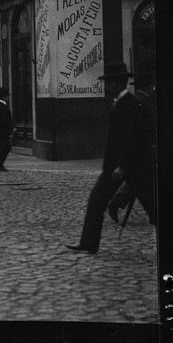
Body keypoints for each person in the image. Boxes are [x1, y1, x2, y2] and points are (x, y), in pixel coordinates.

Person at [66, 61, 156, 254]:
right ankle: (89, 243)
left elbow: (135, 139)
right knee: (96, 200)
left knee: (154, 207)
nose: (105, 87)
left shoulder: (133, 105)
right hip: (115, 167)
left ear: (117, 83)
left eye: (108, 83)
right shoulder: (120, 104)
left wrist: (122, 166)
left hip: (131, 166)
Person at [107, 72, 157, 226]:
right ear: (150, 87)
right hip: (141, 153)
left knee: (141, 184)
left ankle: (154, 215)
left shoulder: (141, 101)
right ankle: (156, 216)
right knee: (144, 185)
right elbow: (138, 133)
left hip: (139, 153)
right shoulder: (142, 103)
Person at [0, 87, 14, 172]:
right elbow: (5, 120)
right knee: (6, 147)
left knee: (3, 147)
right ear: (4, 97)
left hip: (1, 131)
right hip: (3, 131)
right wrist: (11, 128)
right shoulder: (2, 107)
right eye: (7, 96)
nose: (8, 98)